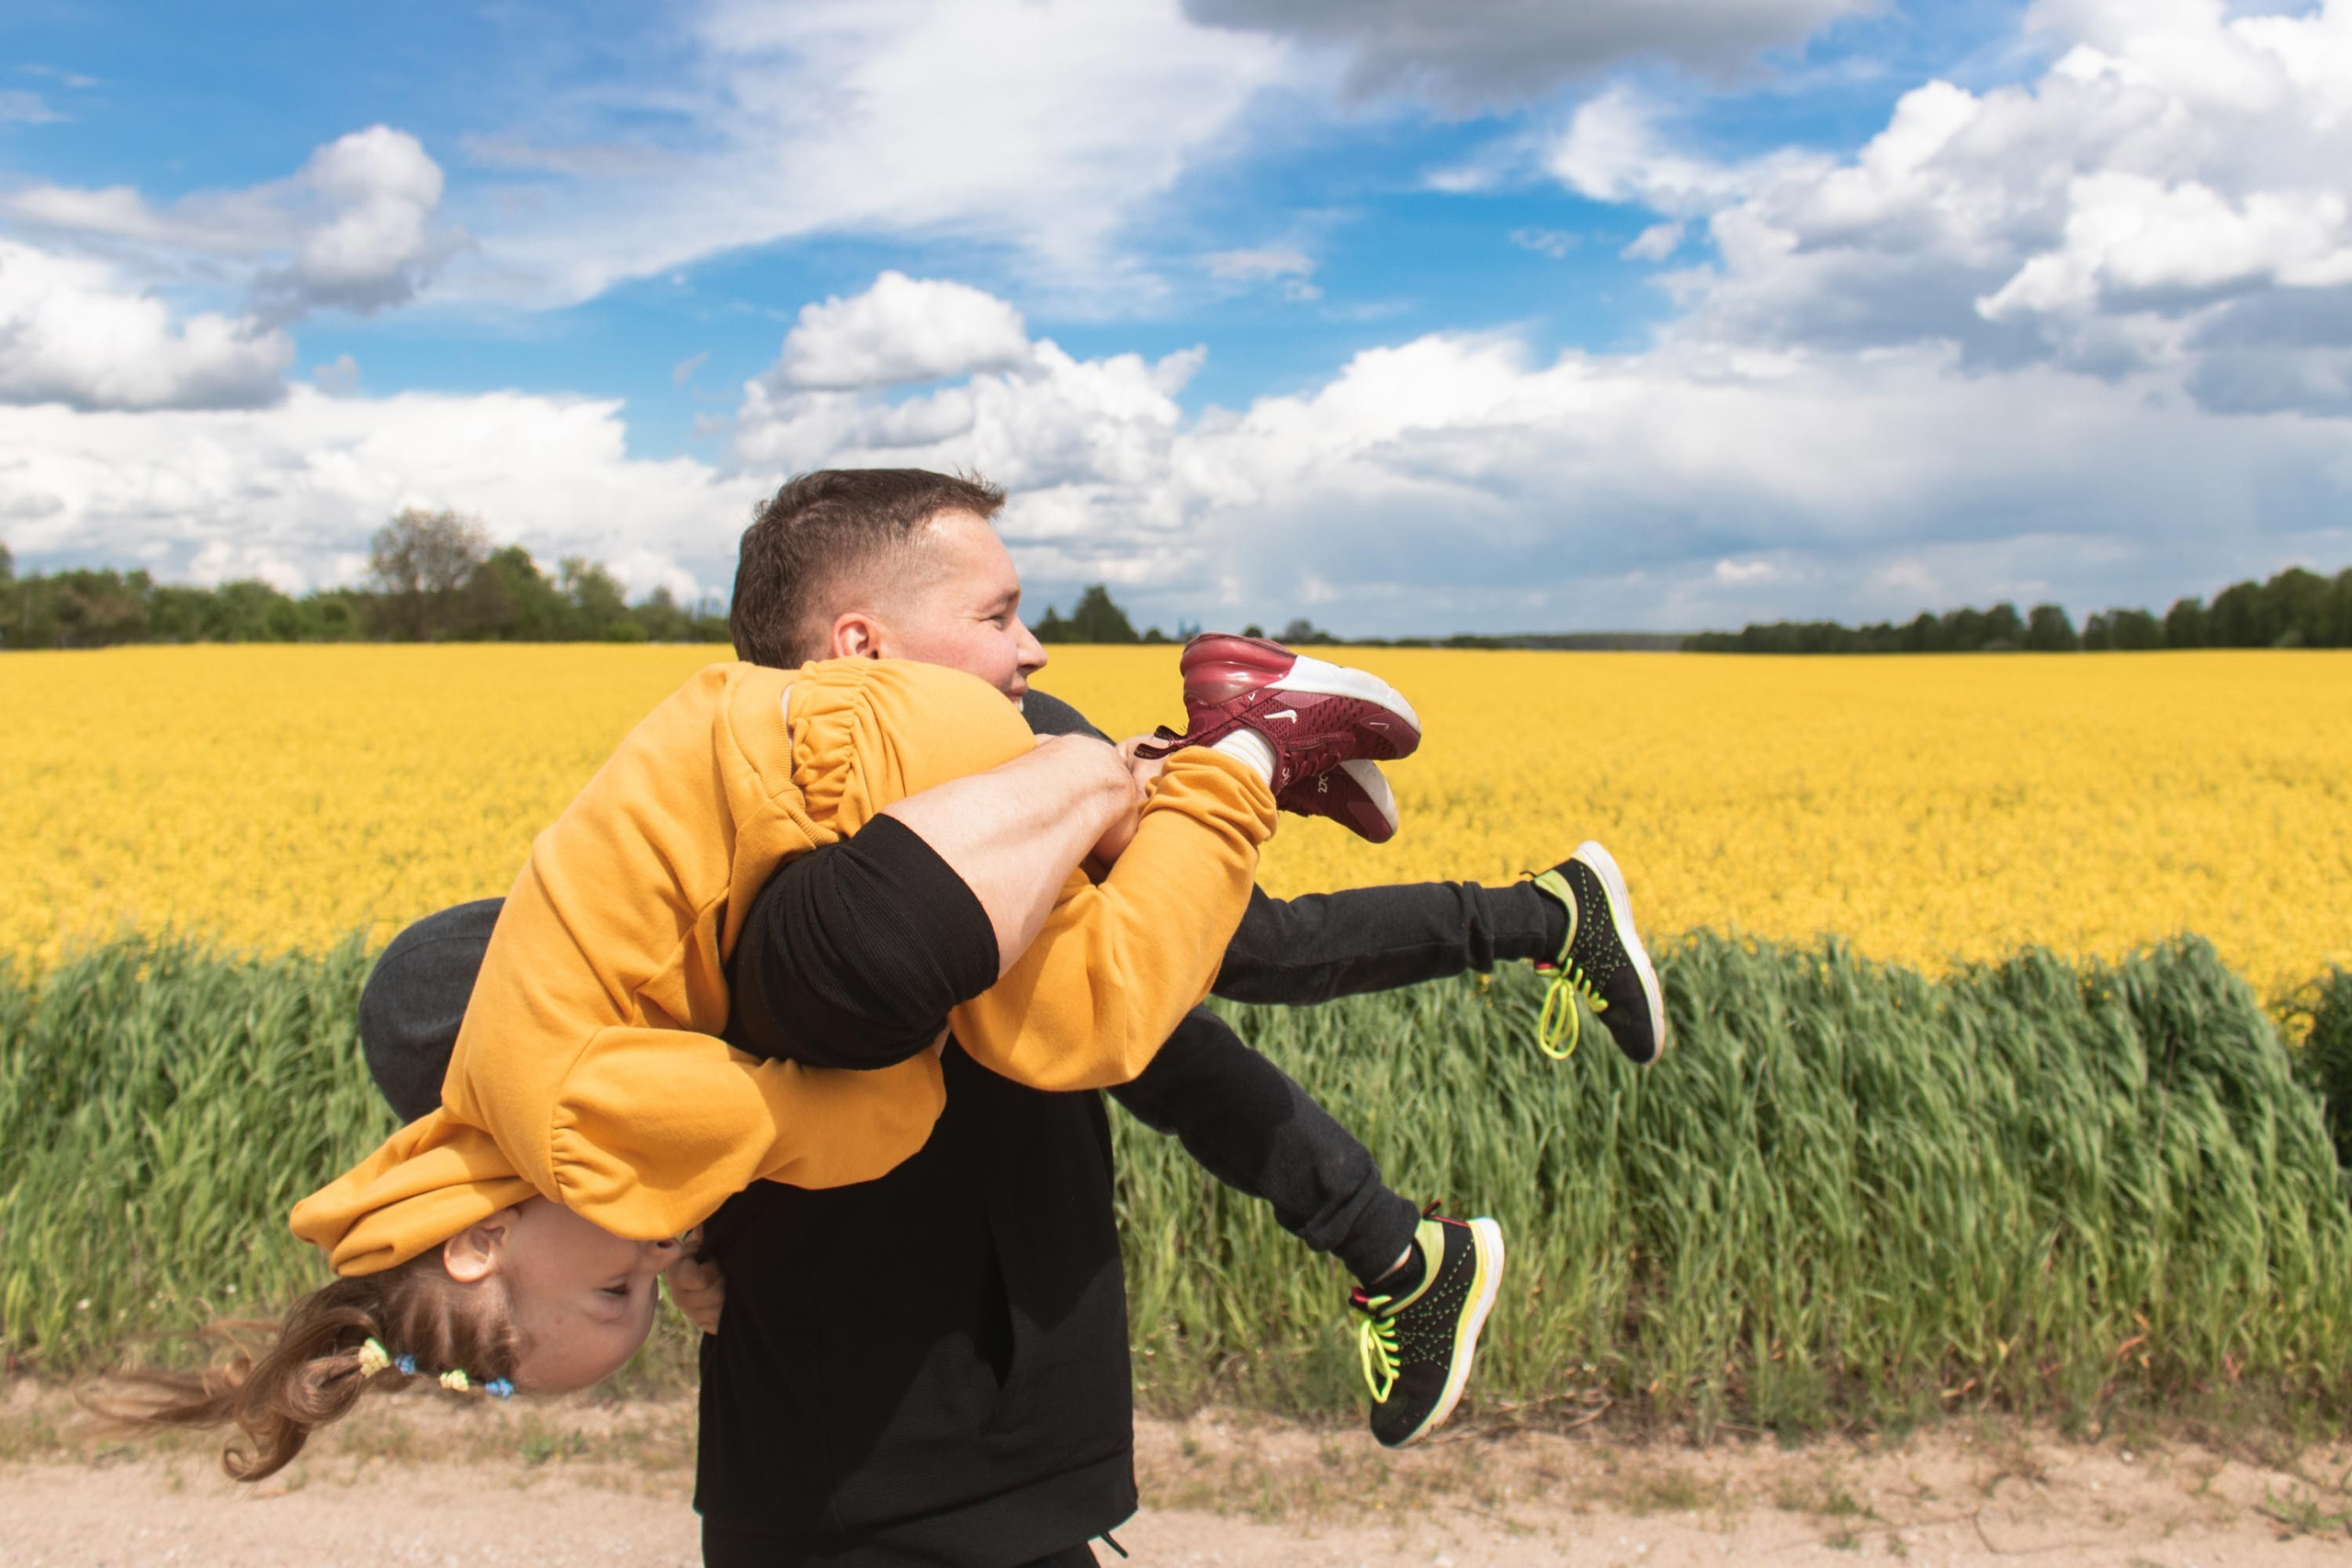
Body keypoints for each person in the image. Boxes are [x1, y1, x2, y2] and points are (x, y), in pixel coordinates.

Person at [357, 471, 1669, 1565]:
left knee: (1179, 978)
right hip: (850, 1433)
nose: (1036, 650)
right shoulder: (746, 824)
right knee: (1159, 996)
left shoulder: (956, 757)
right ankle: (1412, 1110)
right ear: (860, 646)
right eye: (999, 615)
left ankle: (1414, 872)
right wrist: (674, 1204)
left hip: (966, 1423)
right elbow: (440, 995)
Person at [119, 607, 1425, 1483]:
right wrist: (685, 1242)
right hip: (829, 745)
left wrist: (870, 1073)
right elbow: (664, 1132)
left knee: (1094, 1017)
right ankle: (1203, 761)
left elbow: (848, 1123)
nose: (651, 1264)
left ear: (477, 1242)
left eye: (616, 1291)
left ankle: (1246, 747)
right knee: (1112, 946)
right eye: (646, 1297)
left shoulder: (576, 1133)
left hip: (855, 775)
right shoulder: (484, 1101)